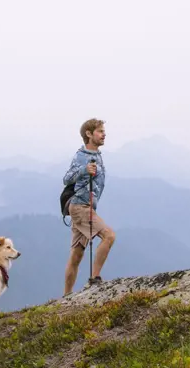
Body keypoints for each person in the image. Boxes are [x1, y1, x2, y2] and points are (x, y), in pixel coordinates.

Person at [62, 118, 116, 296]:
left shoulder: (97, 155)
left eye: (103, 131)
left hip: (86, 207)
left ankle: (66, 296)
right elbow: (67, 178)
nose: (104, 134)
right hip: (80, 207)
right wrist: (85, 170)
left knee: (76, 255)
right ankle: (95, 279)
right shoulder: (81, 156)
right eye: (100, 131)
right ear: (89, 134)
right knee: (108, 236)